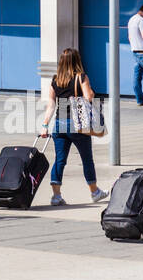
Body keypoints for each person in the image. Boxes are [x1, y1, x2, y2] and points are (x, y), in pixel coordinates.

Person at [38, 47, 108, 206]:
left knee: (59, 160)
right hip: (78, 124)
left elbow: (51, 104)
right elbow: (89, 97)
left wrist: (44, 125)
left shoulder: (55, 80)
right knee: (87, 159)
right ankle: (94, 191)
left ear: (61, 62)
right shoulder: (81, 77)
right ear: (77, 60)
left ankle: (56, 196)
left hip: (59, 124)